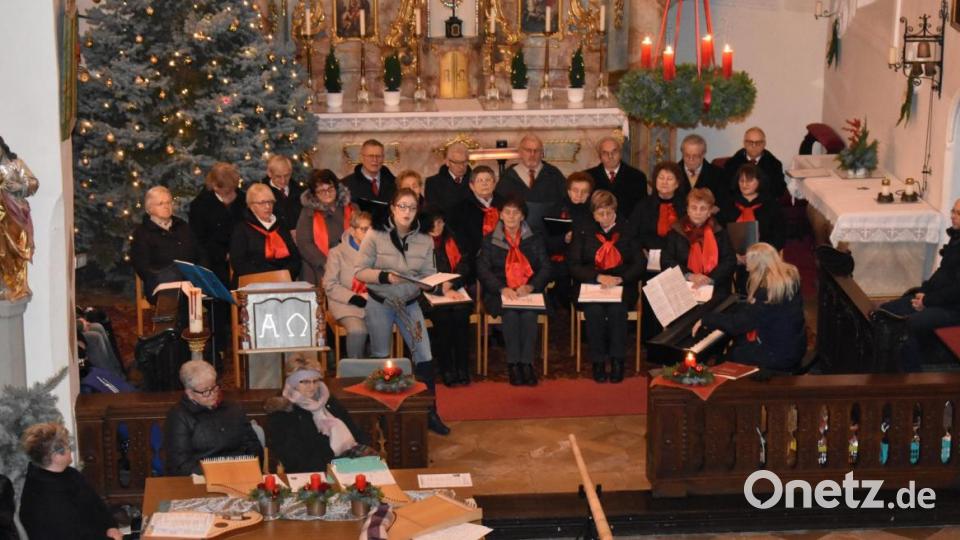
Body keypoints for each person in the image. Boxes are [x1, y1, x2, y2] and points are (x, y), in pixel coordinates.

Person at [355, 188, 450, 435]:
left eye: (412, 207)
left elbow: (429, 271)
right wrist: (385, 277)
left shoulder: (425, 239)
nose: (406, 212)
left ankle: (429, 412)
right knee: (380, 357)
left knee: (425, 357)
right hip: (380, 302)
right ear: (392, 208)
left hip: (409, 304)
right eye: (402, 206)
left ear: (418, 211)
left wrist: (436, 281)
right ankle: (382, 417)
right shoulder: (375, 234)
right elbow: (360, 271)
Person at [569, 190, 645, 383]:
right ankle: (598, 361)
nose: (605, 218)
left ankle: (618, 360)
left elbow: (639, 264)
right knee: (594, 312)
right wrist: (598, 276)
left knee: (617, 311)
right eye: (600, 213)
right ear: (593, 213)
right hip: (592, 284)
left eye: (609, 213)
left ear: (615, 211)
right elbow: (574, 265)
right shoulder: (583, 230)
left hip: (620, 283)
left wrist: (620, 278)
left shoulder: (627, 229)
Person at [695, 243, 806, 372]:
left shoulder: (766, 292)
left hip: (778, 356)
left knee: (734, 354)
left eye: (750, 266)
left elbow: (737, 325)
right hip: (794, 346)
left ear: (759, 267)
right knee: (739, 343)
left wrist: (706, 319)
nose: (747, 270)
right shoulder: (786, 280)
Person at [477, 197, 551, 386]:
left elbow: (546, 268)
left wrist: (532, 286)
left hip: (529, 292)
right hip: (500, 292)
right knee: (510, 314)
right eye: (507, 212)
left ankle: (526, 364)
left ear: (523, 216)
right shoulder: (490, 239)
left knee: (527, 315)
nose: (511, 216)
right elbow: (483, 270)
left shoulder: (534, 238)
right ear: (500, 215)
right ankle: (513, 365)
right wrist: (502, 288)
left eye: (516, 212)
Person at [880, 199, 960, 372]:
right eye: (953, 211)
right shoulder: (956, 239)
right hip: (938, 300)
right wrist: (923, 292)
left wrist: (927, 301)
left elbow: (956, 290)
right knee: (885, 312)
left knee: (907, 324)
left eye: (958, 213)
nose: (953, 216)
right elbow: (942, 273)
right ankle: (886, 366)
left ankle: (914, 377)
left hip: (954, 309)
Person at [265, 356, 374, 473]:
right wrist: (333, 467)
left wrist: (362, 455)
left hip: (348, 464)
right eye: (305, 382)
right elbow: (293, 457)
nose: (312, 387)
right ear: (293, 383)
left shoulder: (328, 400)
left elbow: (354, 430)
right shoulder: (283, 411)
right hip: (312, 474)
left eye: (315, 381)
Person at [19, 422, 122, 540]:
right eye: (68, 446)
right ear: (56, 456)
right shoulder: (43, 498)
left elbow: (97, 505)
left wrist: (111, 526)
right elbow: (74, 535)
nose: (70, 450)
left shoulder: (70, 474)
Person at [164, 360, 263, 475]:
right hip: (201, 479)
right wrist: (219, 473)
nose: (212, 395)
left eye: (214, 387)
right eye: (205, 391)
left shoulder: (233, 408)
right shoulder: (179, 416)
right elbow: (180, 464)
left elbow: (253, 445)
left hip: (240, 474)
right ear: (189, 393)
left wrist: (246, 469)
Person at [420, 207, 474, 386]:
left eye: (441, 222)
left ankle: (462, 368)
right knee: (443, 318)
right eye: (434, 222)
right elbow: (416, 273)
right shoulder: (417, 242)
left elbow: (464, 264)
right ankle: (447, 369)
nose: (438, 226)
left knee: (460, 316)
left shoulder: (452, 238)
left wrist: (452, 284)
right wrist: (440, 290)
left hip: (455, 289)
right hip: (428, 294)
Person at [131, 186, 207, 302]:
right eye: (160, 203)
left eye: (168, 202)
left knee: (214, 295)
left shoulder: (183, 226)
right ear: (149, 208)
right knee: (178, 296)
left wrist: (201, 274)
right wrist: (168, 277)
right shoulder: (142, 233)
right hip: (161, 284)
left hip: (191, 281)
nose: (166, 206)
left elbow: (200, 253)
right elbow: (142, 267)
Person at [720, 163, 786, 292]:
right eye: (741, 180)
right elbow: (721, 234)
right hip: (734, 257)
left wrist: (760, 254)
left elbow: (780, 235)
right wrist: (735, 255)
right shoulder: (728, 204)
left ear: (759, 182)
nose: (744, 184)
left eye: (749, 180)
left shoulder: (772, 205)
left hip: (764, 256)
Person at [662, 188, 736, 300]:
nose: (698, 212)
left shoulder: (720, 232)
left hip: (714, 288)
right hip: (682, 287)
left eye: (703, 208)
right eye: (694, 207)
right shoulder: (675, 232)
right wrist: (690, 276)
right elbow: (666, 260)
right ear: (687, 210)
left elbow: (730, 260)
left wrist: (709, 279)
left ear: (709, 211)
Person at [323, 210, 373, 359]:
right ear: (352, 230)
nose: (369, 234)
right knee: (358, 331)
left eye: (371, 229)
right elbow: (330, 285)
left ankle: (381, 372)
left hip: (371, 302)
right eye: (364, 229)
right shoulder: (337, 253)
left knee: (382, 328)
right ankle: (355, 372)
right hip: (346, 303)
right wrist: (354, 298)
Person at [496, 134, 566, 239]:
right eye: (528, 150)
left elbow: (565, 204)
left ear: (542, 153)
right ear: (520, 152)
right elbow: (498, 207)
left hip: (548, 237)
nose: (532, 154)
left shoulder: (554, 175)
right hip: (515, 238)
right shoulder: (508, 177)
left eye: (537, 151)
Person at [230, 183, 301, 284]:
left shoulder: (281, 226)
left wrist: (284, 274)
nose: (268, 206)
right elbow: (238, 263)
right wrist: (268, 277)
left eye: (270, 202)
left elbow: (295, 259)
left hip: (282, 282)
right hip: (252, 284)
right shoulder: (241, 229)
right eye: (262, 203)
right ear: (251, 206)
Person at [189, 162, 247, 286]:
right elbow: (199, 240)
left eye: (233, 189)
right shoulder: (200, 205)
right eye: (227, 191)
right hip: (214, 261)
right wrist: (222, 255)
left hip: (241, 257)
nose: (232, 194)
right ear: (215, 186)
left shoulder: (243, 200)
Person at [296, 169, 355, 285]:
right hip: (319, 267)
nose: (327, 193)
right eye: (321, 191)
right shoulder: (308, 213)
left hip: (351, 264)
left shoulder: (352, 208)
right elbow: (304, 243)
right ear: (314, 194)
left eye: (330, 189)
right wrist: (326, 263)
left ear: (337, 188)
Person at [545, 172, 594, 308]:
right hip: (562, 260)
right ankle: (562, 315)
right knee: (563, 278)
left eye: (584, 192)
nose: (579, 195)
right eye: (575, 190)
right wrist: (564, 239)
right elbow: (547, 243)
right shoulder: (556, 210)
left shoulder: (595, 211)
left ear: (589, 193)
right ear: (568, 191)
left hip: (587, 261)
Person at [451, 165, 503, 289]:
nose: (485, 184)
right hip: (473, 260)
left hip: (504, 259)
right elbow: (460, 242)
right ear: (471, 186)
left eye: (488, 180)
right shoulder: (460, 209)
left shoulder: (505, 205)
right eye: (480, 180)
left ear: (494, 183)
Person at [0, 136, 39, 302]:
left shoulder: (16, 164)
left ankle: (16, 285)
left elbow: (33, 182)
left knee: (15, 251)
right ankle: (3, 284)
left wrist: (20, 187)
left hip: (15, 213)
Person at [627, 161, 686, 254]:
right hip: (647, 255)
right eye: (661, 178)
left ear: (677, 184)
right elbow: (631, 234)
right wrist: (641, 251)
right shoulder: (643, 205)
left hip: (677, 257)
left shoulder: (685, 206)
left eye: (669, 179)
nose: (664, 182)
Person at [584, 136, 648, 219]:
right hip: (595, 227)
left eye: (614, 152)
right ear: (600, 156)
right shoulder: (588, 177)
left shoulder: (637, 177)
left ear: (620, 153)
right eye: (605, 153)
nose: (610, 156)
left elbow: (641, 210)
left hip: (627, 226)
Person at [723, 127, 787, 199]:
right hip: (737, 204)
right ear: (744, 143)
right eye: (750, 142)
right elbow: (726, 189)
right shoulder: (731, 164)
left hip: (765, 205)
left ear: (764, 144)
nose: (754, 146)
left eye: (758, 142)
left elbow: (779, 190)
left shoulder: (774, 164)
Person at [677, 134, 729, 212]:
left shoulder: (718, 174)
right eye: (687, 155)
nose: (691, 160)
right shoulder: (673, 172)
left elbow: (723, 204)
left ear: (703, 154)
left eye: (695, 156)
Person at [342, 139, 396, 204]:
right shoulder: (346, 185)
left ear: (383, 158)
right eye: (370, 156)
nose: (375, 160)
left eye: (378, 156)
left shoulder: (394, 183)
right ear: (361, 158)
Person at [425, 142, 472, 215]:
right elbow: (432, 214)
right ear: (447, 162)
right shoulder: (433, 183)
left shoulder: (476, 181)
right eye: (456, 162)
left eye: (464, 162)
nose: (461, 166)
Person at [261, 154, 303, 233]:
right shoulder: (262, 195)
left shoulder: (300, 192)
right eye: (278, 176)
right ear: (269, 173)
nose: (283, 180)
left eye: (286, 175)